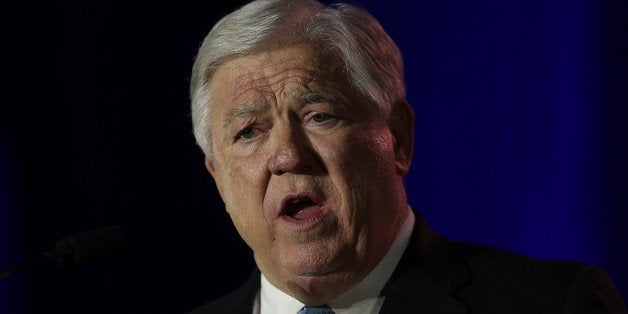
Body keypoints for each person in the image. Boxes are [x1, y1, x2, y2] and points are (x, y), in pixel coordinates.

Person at [187, 0, 627, 313]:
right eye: (249, 132)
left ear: (397, 138)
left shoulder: (553, 303)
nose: (286, 155)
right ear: (218, 179)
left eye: (319, 116)